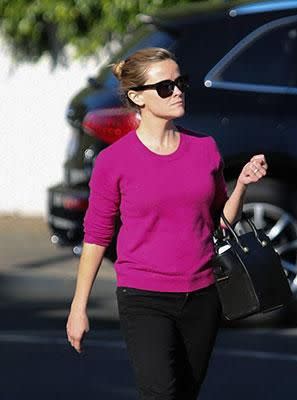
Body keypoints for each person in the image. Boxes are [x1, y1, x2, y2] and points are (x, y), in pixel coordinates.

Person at [65, 47, 268, 400]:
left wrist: (243, 187)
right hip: (144, 298)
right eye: (165, 87)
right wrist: (78, 308)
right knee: (160, 394)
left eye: (180, 82)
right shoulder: (114, 161)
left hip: (204, 295)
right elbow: (97, 236)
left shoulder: (205, 148)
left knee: (186, 393)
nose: (177, 91)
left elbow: (219, 224)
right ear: (136, 97)